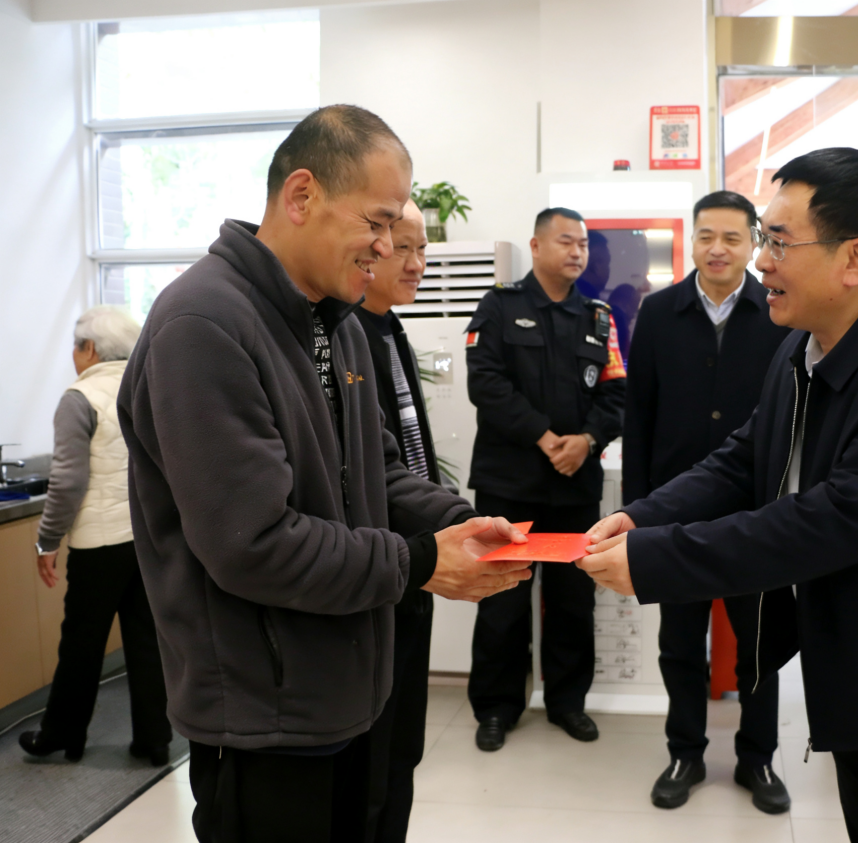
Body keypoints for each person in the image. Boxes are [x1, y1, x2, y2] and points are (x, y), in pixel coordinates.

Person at [117, 105, 532, 843]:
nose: (388, 247)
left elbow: (374, 473)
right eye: (377, 222)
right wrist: (421, 562)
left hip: (350, 692)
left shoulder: (333, 322)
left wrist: (454, 520)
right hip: (265, 716)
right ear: (302, 195)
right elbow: (254, 544)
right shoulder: (203, 325)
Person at [580, 147, 858, 843]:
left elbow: (830, 520)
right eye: (764, 239)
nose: (760, 261)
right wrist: (642, 516)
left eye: (779, 242)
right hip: (852, 657)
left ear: (854, 259)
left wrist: (657, 558)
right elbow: (745, 456)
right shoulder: (802, 346)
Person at [621, 190, 791, 813]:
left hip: (755, 511)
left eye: (731, 237)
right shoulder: (658, 311)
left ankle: (758, 758)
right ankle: (685, 752)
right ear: (691, 241)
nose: (717, 249)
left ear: (753, 244)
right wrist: (638, 510)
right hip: (674, 510)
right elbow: (638, 416)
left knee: (759, 644)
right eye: (705, 236)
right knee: (680, 642)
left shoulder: (778, 310)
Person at [464, 207, 626, 751]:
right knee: (502, 600)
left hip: (574, 485)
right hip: (508, 486)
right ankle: (496, 708)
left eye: (583, 243)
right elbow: (485, 382)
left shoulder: (599, 318)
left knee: (573, 600)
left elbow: (616, 392)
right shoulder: (499, 305)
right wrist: (543, 435)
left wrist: (587, 440)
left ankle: (567, 703)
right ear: (535, 247)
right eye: (565, 241)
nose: (577, 251)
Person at [20, 306, 170, 767]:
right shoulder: (148, 387)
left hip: (99, 544)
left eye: (75, 345)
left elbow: (67, 482)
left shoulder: (79, 398)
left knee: (82, 643)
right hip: (145, 538)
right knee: (147, 641)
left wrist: (47, 541)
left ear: (89, 349)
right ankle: (155, 740)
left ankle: (61, 734)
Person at [351, 200, 441, 842]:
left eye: (421, 249)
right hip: (381, 568)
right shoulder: (344, 335)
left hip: (417, 561)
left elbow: (411, 456)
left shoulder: (390, 329)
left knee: (403, 748)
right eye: (401, 247)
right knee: (372, 763)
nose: (415, 264)